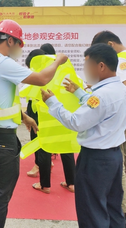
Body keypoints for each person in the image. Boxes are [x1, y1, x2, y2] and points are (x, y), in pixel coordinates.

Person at [0, 19, 68, 228]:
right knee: (1, 194)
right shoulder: (3, 63)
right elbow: (41, 79)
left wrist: (24, 117)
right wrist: (57, 61)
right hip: (1, 139)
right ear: (10, 41)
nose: (20, 50)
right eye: (20, 44)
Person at [41, 43, 126, 228]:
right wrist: (79, 93)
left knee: (92, 211)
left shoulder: (102, 95)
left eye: (87, 65)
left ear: (101, 66)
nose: (85, 71)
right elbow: (101, 111)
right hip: (113, 156)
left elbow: (77, 122)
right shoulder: (121, 90)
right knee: (113, 207)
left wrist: (53, 103)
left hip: (95, 159)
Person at [91, 31, 126, 226]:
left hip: (121, 118)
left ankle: (123, 211)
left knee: (119, 165)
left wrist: (108, 94)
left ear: (110, 44)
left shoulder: (122, 59)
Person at [24, 49, 76, 194]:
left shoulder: (39, 78)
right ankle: (72, 183)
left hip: (44, 119)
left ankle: (45, 185)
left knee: (43, 147)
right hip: (62, 116)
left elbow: (29, 97)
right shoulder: (64, 74)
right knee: (66, 148)